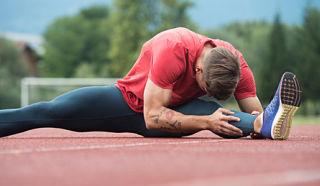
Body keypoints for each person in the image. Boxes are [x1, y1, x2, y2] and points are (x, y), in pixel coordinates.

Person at [0, 27, 302, 140]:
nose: (210, 95)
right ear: (197, 67)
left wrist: (260, 121)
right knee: (49, 112)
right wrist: (205, 122)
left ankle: (265, 123)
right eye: (207, 88)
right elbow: (151, 117)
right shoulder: (174, 47)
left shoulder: (237, 65)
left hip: (181, 110)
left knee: (239, 122)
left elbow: (249, 108)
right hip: (132, 104)